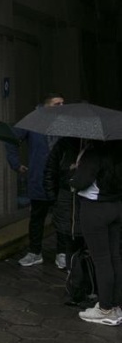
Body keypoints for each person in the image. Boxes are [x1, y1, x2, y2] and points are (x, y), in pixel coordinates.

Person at [6, 92, 65, 267]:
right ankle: (35, 252)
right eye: (57, 104)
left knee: (62, 217)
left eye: (63, 104)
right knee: (37, 218)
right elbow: (11, 139)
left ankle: (62, 253)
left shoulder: (65, 123)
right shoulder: (32, 121)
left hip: (60, 179)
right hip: (39, 178)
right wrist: (16, 164)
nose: (61, 107)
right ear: (46, 105)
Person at [72, 140, 122, 326]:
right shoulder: (118, 153)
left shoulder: (93, 154)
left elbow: (80, 182)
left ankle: (105, 309)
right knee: (114, 257)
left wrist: (76, 168)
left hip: (95, 210)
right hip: (116, 207)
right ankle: (115, 306)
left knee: (101, 260)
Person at [45, 136, 86, 269]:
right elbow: (50, 171)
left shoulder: (94, 147)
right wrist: (53, 198)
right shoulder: (63, 145)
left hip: (86, 201)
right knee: (67, 235)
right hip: (65, 198)